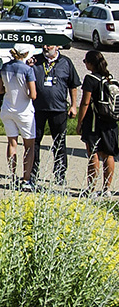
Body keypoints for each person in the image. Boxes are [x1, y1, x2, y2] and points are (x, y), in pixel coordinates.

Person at [31, 42, 80, 185]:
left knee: (59, 143)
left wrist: (74, 105)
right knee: (35, 142)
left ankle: (60, 175)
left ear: (57, 47)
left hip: (58, 109)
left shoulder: (66, 62)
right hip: (37, 109)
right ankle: (32, 173)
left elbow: (73, 85)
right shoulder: (35, 60)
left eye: (49, 46)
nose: (46, 48)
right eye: (44, 46)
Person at [0, 43, 38, 190]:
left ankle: (12, 176)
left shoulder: (4, 67)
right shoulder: (28, 70)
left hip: (7, 108)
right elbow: (33, 94)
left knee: (12, 144)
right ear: (26, 54)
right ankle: (26, 179)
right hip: (24, 110)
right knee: (29, 147)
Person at [78, 49, 117, 194]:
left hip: (94, 122)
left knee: (93, 154)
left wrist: (80, 122)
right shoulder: (110, 78)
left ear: (90, 63)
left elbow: (85, 103)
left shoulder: (90, 79)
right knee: (109, 154)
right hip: (110, 122)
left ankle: (91, 189)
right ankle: (107, 189)